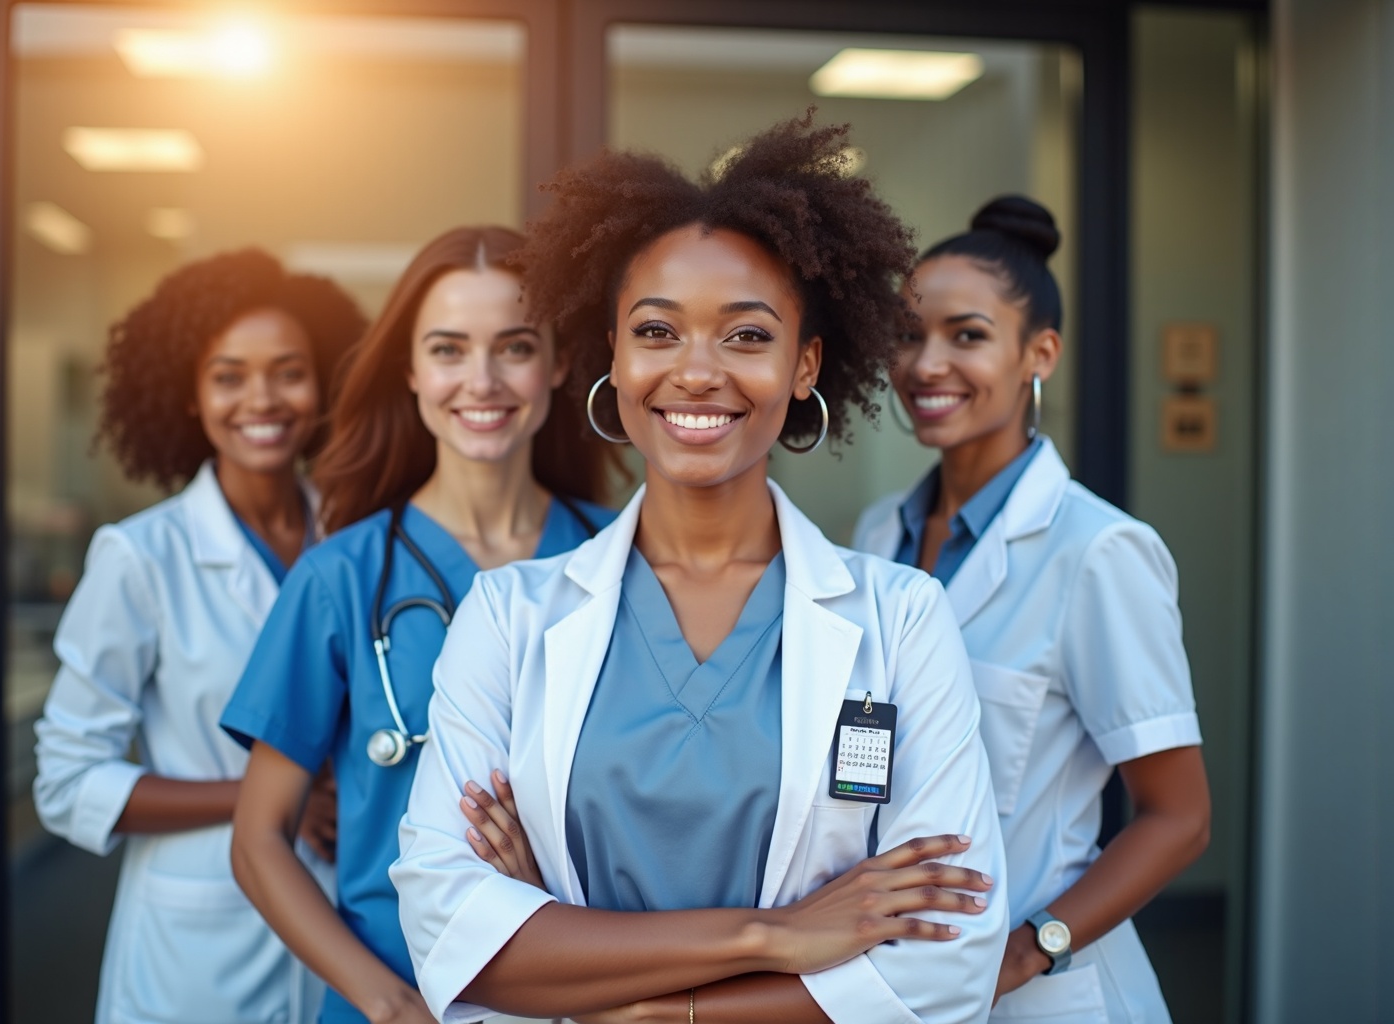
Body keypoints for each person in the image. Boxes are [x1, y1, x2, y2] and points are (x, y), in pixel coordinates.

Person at [391, 114, 1007, 1024]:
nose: (697, 371)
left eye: (748, 337)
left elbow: (947, 958)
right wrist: (768, 936)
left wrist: (625, 999)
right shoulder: (510, 615)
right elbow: (449, 930)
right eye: (658, 331)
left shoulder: (902, 617)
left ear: (805, 366)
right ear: (613, 357)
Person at [220, 226, 619, 1024]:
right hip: (397, 1000)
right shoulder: (343, 577)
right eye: (448, 349)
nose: (482, 380)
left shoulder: (623, 561)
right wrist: (388, 1001)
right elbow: (257, 840)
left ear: (560, 363)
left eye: (514, 347)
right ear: (410, 369)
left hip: (583, 996)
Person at [852, 196, 1211, 1023]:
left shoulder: (1098, 553)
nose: (926, 363)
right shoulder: (878, 534)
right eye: (909, 335)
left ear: (1038, 354)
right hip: (900, 982)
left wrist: (1030, 948)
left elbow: (1180, 818)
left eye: (967, 335)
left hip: (1048, 996)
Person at [32, 249, 365, 1024]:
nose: (262, 399)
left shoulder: (356, 537)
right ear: (188, 394)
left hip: (347, 920)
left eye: (289, 371)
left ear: (325, 384)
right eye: (228, 376)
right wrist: (265, 797)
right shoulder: (141, 556)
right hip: (198, 950)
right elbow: (66, 780)